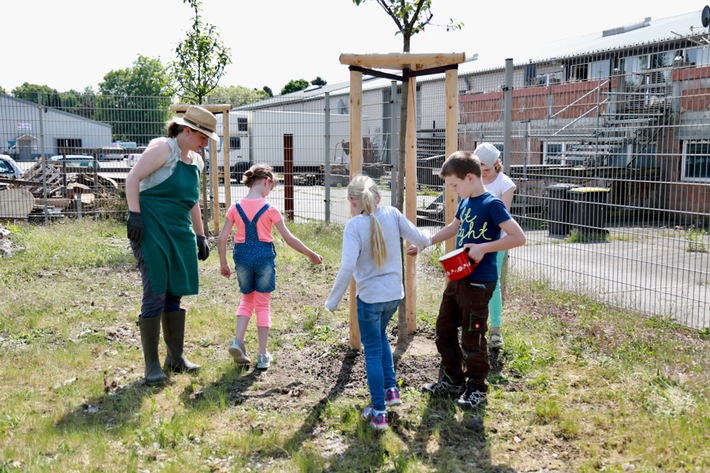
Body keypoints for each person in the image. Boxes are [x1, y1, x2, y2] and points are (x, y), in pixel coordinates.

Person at [407, 151, 526, 410]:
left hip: (479, 282)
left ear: (469, 177)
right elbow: (453, 227)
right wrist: (425, 242)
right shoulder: (466, 202)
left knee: (472, 337)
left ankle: (477, 388)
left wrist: (485, 248)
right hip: (458, 277)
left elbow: (518, 237)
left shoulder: (491, 204)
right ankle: (453, 379)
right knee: (444, 328)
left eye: (454, 184)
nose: (453, 190)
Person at [325, 174, 431, 430]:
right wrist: (424, 241)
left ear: (351, 201)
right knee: (380, 336)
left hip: (370, 299)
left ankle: (379, 412)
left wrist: (332, 301)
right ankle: (391, 390)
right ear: (378, 196)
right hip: (394, 296)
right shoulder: (393, 214)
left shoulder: (354, 227)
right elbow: (422, 239)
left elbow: (348, 265)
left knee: (371, 349)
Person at [125, 105, 216, 386]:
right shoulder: (163, 149)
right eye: (203, 137)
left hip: (178, 231)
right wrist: (134, 215)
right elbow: (132, 178)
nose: (205, 143)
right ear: (187, 131)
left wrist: (202, 235)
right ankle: (151, 366)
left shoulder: (196, 161)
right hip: (151, 229)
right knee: (155, 291)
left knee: (175, 290)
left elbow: (192, 202)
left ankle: (175, 358)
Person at [218, 164, 323, 370]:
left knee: (247, 299)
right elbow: (289, 239)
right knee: (263, 304)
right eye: (271, 188)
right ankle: (262, 354)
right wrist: (310, 254)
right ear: (266, 181)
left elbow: (222, 239)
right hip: (264, 258)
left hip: (242, 258)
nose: (269, 193)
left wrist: (224, 263)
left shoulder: (234, 207)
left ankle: (238, 341)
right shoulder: (270, 209)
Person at [475, 143, 517, 349]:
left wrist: (487, 244)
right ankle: (473, 325)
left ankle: (496, 330)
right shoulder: (473, 178)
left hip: (495, 241)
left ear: (496, 164)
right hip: (473, 238)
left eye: (486, 169)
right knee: (471, 281)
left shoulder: (505, 184)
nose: (482, 173)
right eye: (479, 168)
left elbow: (503, 216)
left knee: (493, 282)